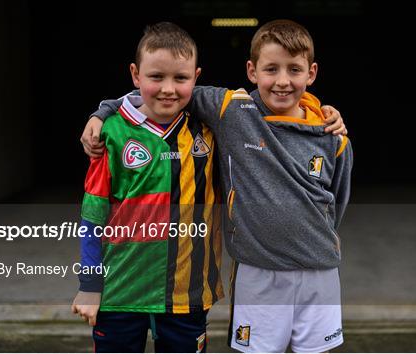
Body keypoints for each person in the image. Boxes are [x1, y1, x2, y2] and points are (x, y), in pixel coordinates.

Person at [82, 19, 351, 353]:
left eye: (294, 70)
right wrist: (102, 112)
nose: (282, 81)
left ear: (311, 73)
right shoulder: (232, 110)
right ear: (252, 71)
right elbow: (162, 91)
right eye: (271, 69)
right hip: (257, 269)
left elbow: (337, 201)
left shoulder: (331, 136)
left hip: (317, 269)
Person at [71, 22, 224, 353]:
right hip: (120, 292)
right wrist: (89, 285)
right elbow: (93, 215)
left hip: (188, 295)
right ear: (135, 75)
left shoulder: (210, 129)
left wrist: (321, 114)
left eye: (180, 78)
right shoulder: (110, 134)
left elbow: (269, 108)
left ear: (196, 78)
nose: (168, 88)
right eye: (156, 77)